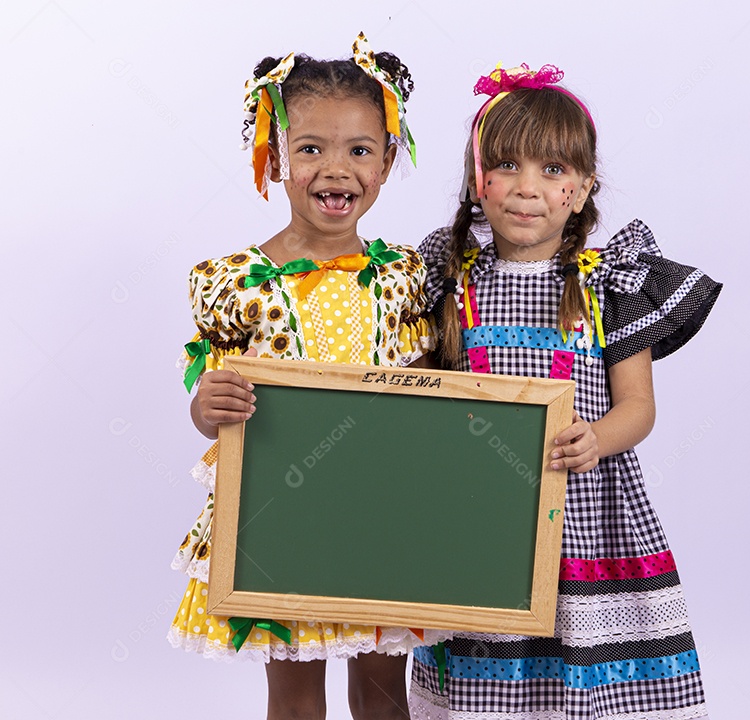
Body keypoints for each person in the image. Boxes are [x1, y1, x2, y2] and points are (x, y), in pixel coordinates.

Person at [409, 64, 722, 720]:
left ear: (582, 189)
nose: (529, 188)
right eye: (508, 166)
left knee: (576, 670)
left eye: (553, 171)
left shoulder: (606, 284)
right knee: (486, 661)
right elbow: (418, 387)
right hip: (479, 512)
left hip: (583, 511)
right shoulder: (452, 279)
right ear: (477, 180)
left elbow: (638, 407)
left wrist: (596, 439)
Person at [166, 35, 444, 720]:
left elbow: (433, 378)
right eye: (311, 148)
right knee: (294, 694)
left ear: (387, 160)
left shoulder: (404, 276)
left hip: (385, 510)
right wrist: (211, 403)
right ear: (275, 155)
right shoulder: (234, 282)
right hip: (281, 509)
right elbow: (209, 388)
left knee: (381, 692)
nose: (335, 170)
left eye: (359, 150)